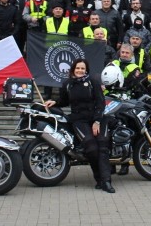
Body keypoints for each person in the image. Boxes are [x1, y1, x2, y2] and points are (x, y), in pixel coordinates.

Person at [46, 59, 115, 193]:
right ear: (73, 69)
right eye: (78, 68)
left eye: (83, 68)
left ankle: (106, 182)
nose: (80, 71)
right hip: (79, 120)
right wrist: (54, 102)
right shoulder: (67, 84)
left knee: (102, 145)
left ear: (86, 70)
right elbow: (64, 101)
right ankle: (99, 179)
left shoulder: (93, 81)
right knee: (91, 148)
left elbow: (101, 102)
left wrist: (97, 121)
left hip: (97, 118)